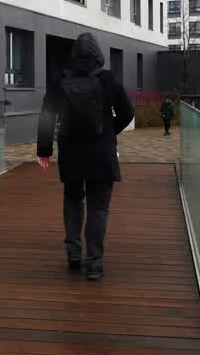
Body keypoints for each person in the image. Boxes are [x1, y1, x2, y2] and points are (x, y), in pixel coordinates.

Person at [36, 33, 135, 281]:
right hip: (101, 153)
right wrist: (110, 131)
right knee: (98, 207)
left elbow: (47, 115)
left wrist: (44, 150)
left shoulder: (61, 79)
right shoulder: (108, 79)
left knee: (72, 200)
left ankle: (73, 253)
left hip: (71, 152)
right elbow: (127, 112)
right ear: (98, 54)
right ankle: (94, 263)